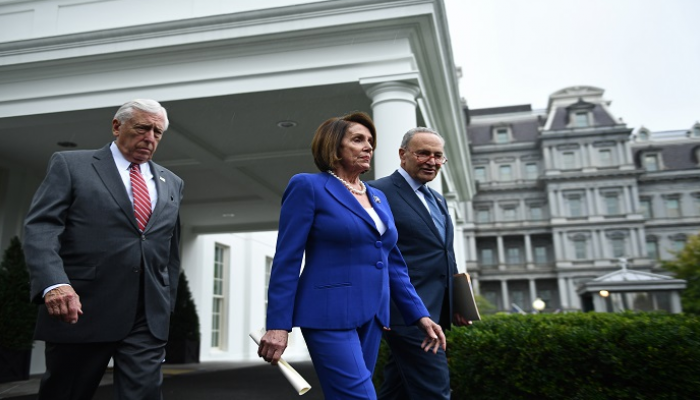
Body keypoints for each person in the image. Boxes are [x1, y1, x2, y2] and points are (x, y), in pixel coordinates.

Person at [257, 112, 446, 399]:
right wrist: (278, 325)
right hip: (327, 314)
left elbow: (393, 264)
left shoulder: (377, 197)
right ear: (334, 146)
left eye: (370, 141)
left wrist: (420, 315)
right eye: (358, 139)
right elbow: (287, 259)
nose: (368, 146)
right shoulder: (308, 186)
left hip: (373, 316)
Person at [23, 99, 184, 400]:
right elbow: (42, 227)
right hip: (82, 308)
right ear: (116, 126)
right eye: (142, 128)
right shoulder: (72, 165)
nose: (150, 138)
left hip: (147, 316)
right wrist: (54, 284)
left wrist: (166, 304)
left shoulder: (172, 182)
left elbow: (170, 250)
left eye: (157, 132)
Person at [368, 127, 468, 399]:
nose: (432, 161)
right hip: (404, 313)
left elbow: (445, 252)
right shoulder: (376, 192)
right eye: (423, 153)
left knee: (397, 389)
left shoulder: (438, 199)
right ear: (403, 155)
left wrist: (458, 300)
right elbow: (375, 253)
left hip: (436, 310)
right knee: (435, 389)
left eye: (438, 156)